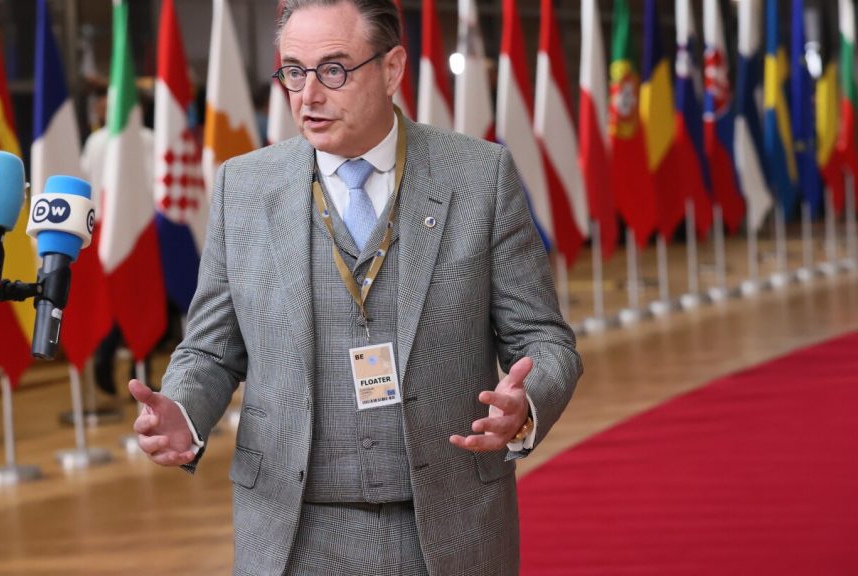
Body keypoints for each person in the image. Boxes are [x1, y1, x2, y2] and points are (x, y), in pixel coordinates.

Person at [129, 1, 581, 574]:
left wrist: (526, 403)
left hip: (450, 523)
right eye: (294, 71)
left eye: (334, 70)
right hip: (289, 531)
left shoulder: (479, 177)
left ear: (392, 69)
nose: (309, 95)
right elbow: (212, 349)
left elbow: (544, 339)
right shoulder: (242, 188)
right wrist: (183, 410)